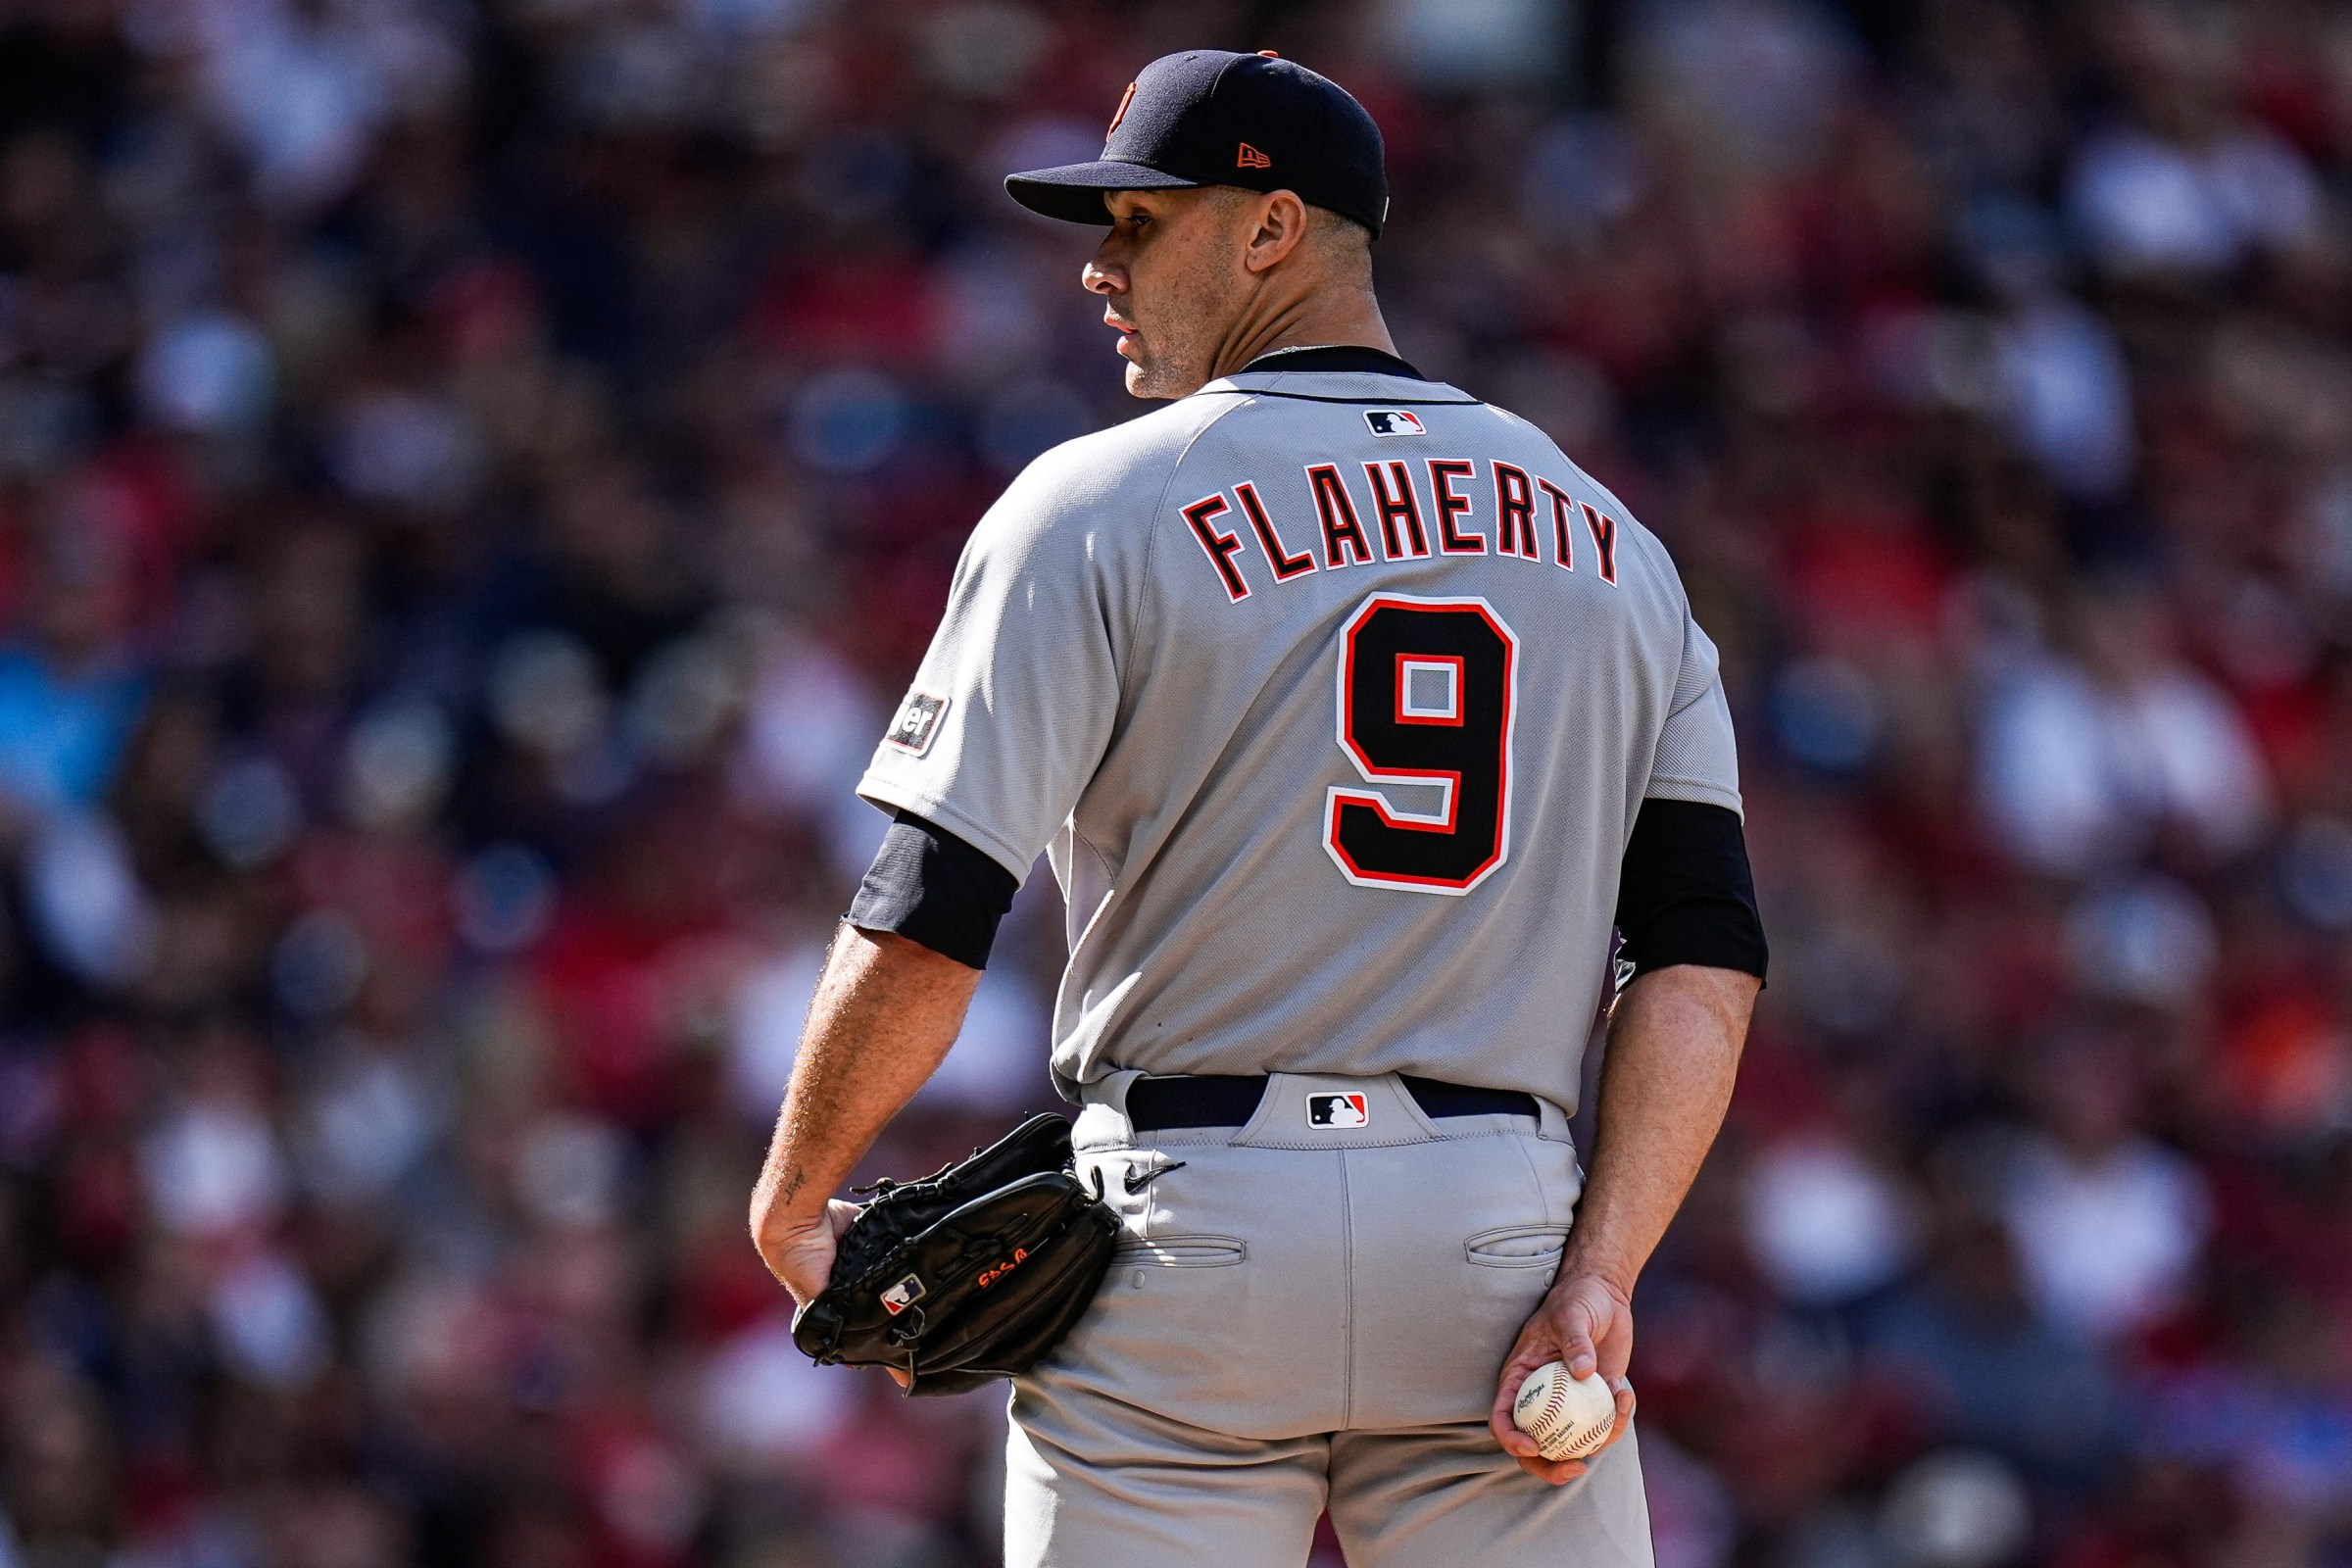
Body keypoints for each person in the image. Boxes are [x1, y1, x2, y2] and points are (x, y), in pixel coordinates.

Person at [749, 48, 1766, 1568]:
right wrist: (1603, 1269)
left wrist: (797, 1188)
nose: (1100, 266)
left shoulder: (1092, 505)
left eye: (1139, 224)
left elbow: (931, 909)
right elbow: (1701, 957)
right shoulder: (1611, 538)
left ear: (1271, 226)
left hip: (1192, 1236)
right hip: (1494, 1243)